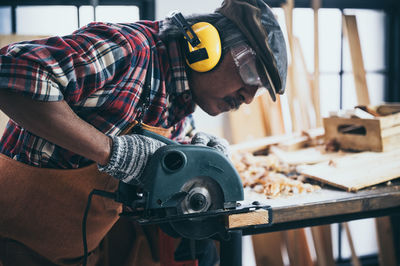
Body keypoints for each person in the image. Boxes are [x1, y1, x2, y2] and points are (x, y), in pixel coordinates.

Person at [0, 0, 287, 265]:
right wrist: (110, 151)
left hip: (79, 248)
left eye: (258, 89)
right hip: (15, 243)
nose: (248, 97)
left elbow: (160, 162)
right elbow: (8, 77)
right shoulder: (129, 49)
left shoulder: (182, 98)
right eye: (250, 72)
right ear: (205, 46)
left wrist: (199, 160)